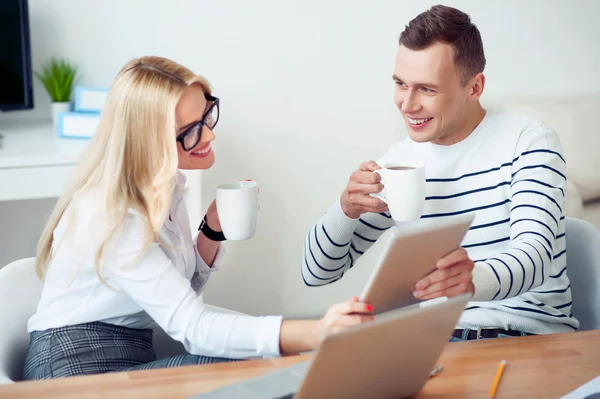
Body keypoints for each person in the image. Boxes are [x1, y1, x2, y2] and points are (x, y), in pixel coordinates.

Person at [23, 56, 374, 380]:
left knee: (265, 356)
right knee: (262, 360)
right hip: (74, 368)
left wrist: (212, 228)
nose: (209, 134)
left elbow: (182, 295)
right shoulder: (111, 212)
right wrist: (316, 331)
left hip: (135, 351)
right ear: (150, 140)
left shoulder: (164, 184)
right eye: (191, 130)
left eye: (207, 115)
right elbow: (192, 326)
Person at [301, 5, 578, 340]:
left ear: (474, 88)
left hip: (523, 332)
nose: (407, 103)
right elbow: (316, 272)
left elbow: (534, 257)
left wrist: (471, 280)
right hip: (436, 341)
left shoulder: (528, 141)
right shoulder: (400, 162)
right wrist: (345, 209)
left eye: (427, 89)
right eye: (401, 84)